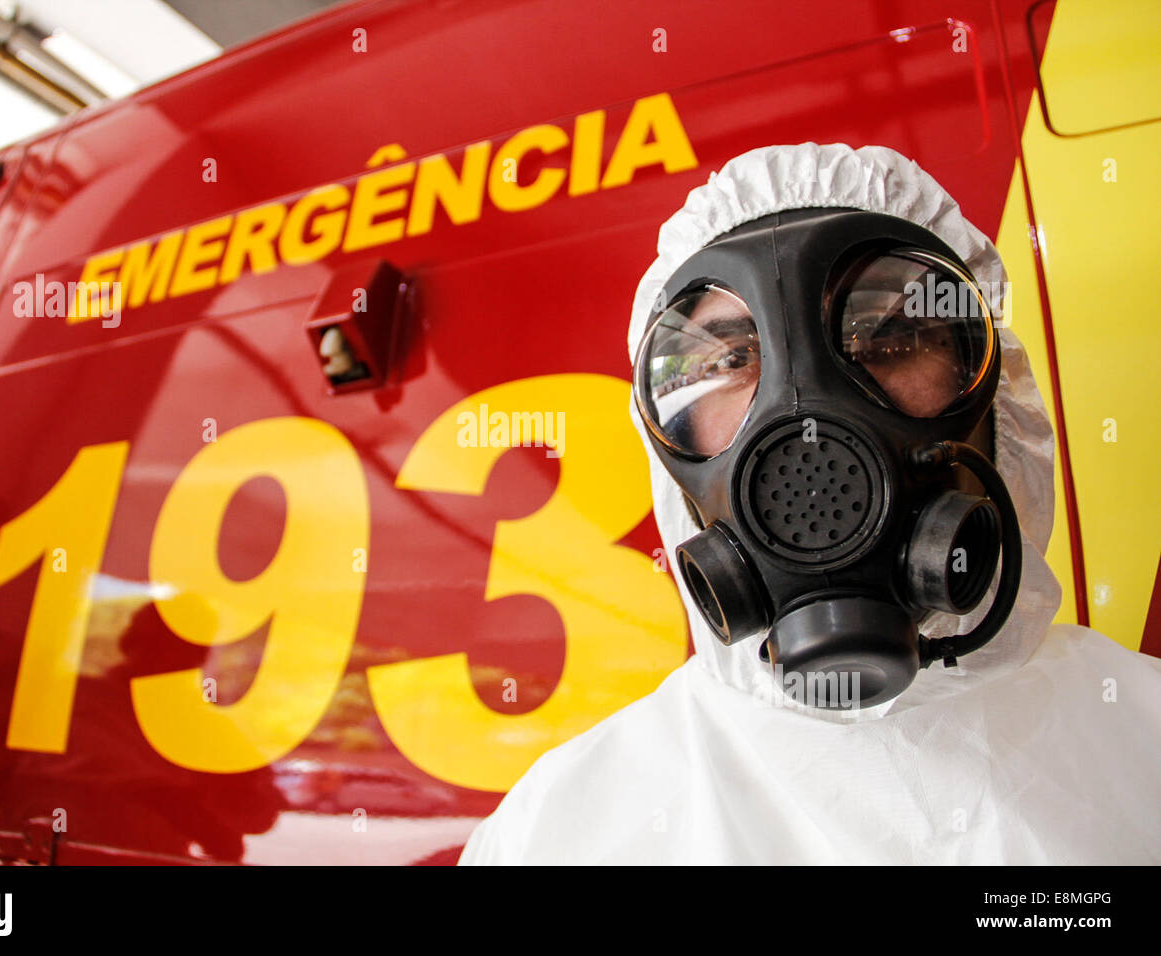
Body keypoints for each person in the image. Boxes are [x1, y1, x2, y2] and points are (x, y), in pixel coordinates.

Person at [459, 143, 1161, 865]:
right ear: (666, 444)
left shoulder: (1142, 744)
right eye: (731, 361)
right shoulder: (558, 834)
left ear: (993, 397)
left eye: (891, 336)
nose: (810, 432)